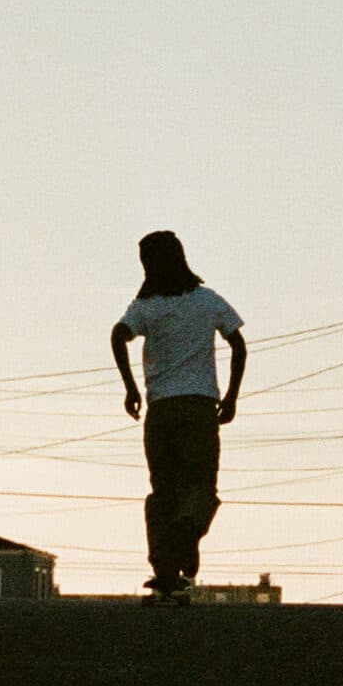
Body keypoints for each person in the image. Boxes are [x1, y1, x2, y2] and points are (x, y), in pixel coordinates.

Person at [111, 231, 246, 604]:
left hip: (161, 410)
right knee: (201, 487)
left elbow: (118, 335)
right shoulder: (208, 300)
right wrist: (231, 395)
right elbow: (238, 344)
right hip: (200, 407)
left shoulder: (145, 307)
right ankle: (187, 532)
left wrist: (130, 388)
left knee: (164, 492)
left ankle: (166, 570)